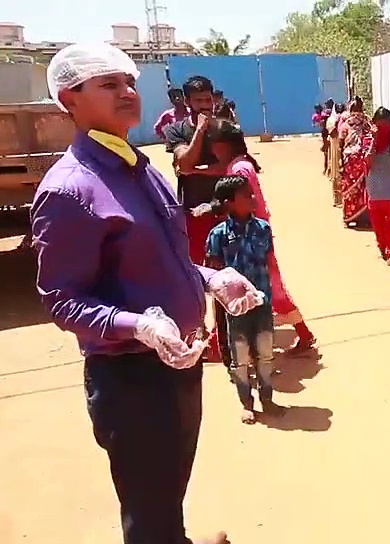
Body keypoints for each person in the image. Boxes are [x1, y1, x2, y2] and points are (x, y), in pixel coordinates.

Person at [32, 43, 265, 544]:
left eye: (129, 82)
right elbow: (61, 299)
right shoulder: (70, 189)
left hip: (177, 366)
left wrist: (209, 279)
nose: (127, 92)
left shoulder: (139, 167)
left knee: (167, 491)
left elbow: (164, 260)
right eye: (108, 84)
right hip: (132, 380)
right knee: (148, 509)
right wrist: (136, 324)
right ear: (70, 99)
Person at [207, 118, 317, 354]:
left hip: (250, 237)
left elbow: (248, 204)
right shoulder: (240, 165)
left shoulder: (239, 169)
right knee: (268, 286)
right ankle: (301, 332)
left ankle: (230, 344)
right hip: (251, 235)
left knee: (259, 287)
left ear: (222, 145)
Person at [206, 176, 286, 424]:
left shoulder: (263, 228)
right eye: (246, 195)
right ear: (229, 203)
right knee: (240, 356)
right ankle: (246, 403)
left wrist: (276, 295)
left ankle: (268, 399)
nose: (253, 198)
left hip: (262, 303)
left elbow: (270, 262)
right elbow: (214, 274)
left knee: (265, 352)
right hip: (236, 309)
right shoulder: (217, 235)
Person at [163, 75, 231, 364]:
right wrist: (200, 133)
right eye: (199, 100)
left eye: (208, 99)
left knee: (224, 274)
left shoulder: (226, 129)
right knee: (196, 276)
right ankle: (202, 332)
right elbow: (184, 162)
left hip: (223, 212)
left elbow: (227, 167)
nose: (205, 105)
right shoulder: (175, 130)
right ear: (187, 102)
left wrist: (198, 170)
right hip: (191, 214)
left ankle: (224, 338)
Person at [367, 106, 390, 267]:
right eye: (379, 125)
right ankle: (384, 249)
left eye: (385, 124)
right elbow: (367, 162)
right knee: (378, 224)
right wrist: (374, 140)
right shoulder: (368, 140)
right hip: (374, 187)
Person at [338, 97, 374, 226]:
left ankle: (349, 216)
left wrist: (340, 162)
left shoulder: (346, 124)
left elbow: (341, 143)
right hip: (363, 158)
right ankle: (364, 217)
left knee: (349, 188)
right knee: (363, 187)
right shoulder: (367, 123)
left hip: (350, 160)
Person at [326, 103, 344, 205]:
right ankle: (336, 198)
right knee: (335, 173)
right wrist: (337, 123)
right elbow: (331, 133)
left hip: (341, 150)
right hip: (335, 150)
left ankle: (341, 199)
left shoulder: (347, 120)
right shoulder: (331, 121)